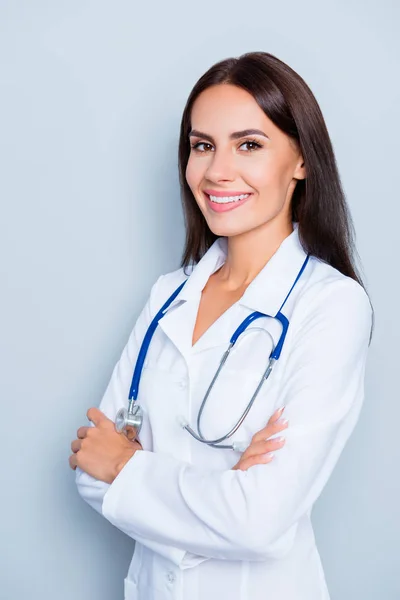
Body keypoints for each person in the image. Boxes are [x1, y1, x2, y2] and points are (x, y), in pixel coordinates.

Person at [69, 51, 373, 600]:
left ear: (301, 159)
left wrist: (131, 470)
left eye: (249, 145)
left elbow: (261, 522)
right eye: (202, 145)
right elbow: (91, 471)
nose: (215, 171)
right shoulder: (169, 296)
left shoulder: (331, 306)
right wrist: (224, 492)